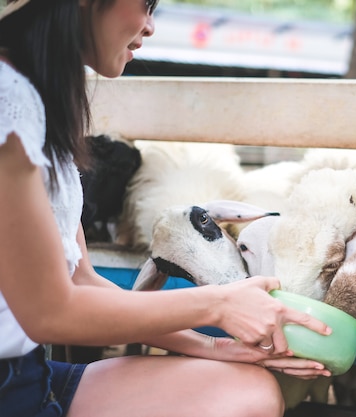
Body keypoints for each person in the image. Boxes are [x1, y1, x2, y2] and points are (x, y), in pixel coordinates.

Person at [0, 0, 333, 416]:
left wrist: (212, 345)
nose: (151, 25)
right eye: (147, 4)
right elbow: (49, 312)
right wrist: (220, 304)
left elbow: (80, 281)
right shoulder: (7, 102)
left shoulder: (36, 97)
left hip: (29, 375)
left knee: (250, 391)